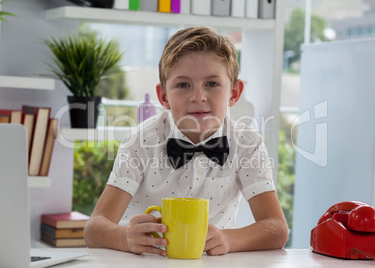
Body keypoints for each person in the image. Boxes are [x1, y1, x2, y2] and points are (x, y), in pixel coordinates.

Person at [84, 26, 288, 257]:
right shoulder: (140, 142)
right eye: (183, 85)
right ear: (163, 97)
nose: (198, 96)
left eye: (212, 83)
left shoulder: (247, 145)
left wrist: (229, 239)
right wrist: (124, 237)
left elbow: (277, 228)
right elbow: (94, 229)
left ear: (234, 93)